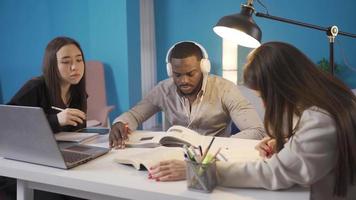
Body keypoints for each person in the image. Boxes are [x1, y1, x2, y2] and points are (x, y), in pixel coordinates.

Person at [150, 41, 356, 199]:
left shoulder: (320, 119)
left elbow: (275, 173)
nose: (265, 104)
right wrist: (290, 142)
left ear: (282, 86)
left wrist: (203, 171)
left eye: (263, 95)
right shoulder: (332, 100)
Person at [109, 41, 265, 148]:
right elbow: (135, 115)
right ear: (171, 71)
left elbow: (257, 131)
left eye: (191, 74)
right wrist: (120, 123)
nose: (184, 80)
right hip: (173, 153)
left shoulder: (225, 89)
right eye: (177, 75)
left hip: (213, 155)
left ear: (204, 68)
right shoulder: (163, 89)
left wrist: (217, 144)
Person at [8, 36, 87, 133]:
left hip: (65, 147)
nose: (75, 67)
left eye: (79, 60)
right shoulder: (35, 87)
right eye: (66, 62)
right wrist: (56, 120)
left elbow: (77, 131)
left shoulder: (78, 91)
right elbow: (7, 121)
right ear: (52, 65)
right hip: (32, 147)